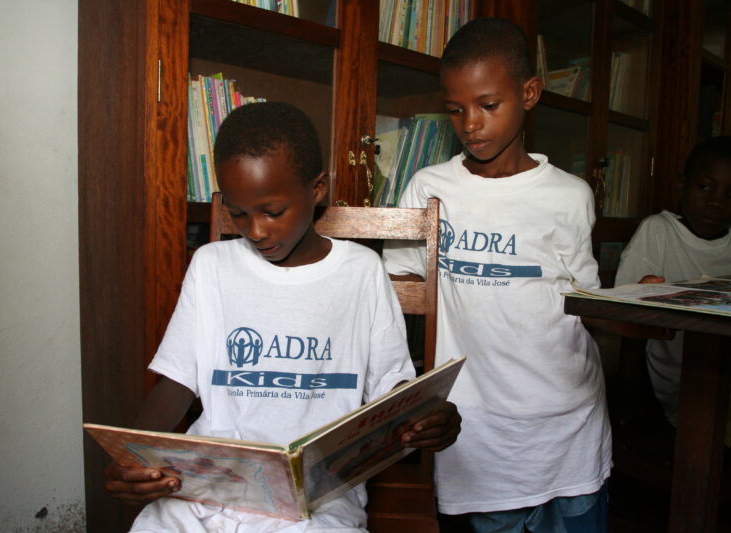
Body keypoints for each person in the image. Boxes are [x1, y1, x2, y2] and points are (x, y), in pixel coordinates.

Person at [104, 101, 461, 533]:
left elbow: (393, 388)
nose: (255, 231)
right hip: (206, 490)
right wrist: (133, 455)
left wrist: (430, 417)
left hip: (316, 501)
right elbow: (178, 380)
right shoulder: (211, 265)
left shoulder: (361, 271)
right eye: (238, 213)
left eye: (272, 212)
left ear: (316, 189)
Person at [383, 17, 611, 533]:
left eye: (488, 105)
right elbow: (394, 295)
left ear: (529, 93)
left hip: (565, 422)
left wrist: (637, 305)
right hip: (470, 429)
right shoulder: (429, 188)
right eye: (456, 109)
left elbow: (584, 302)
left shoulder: (569, 196)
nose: (470, 123)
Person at [615, 135, 731, 530]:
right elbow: (629, 321)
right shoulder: (659, 232)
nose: (715, 202)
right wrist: (627, 402)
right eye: (705, 187)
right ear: (683, 185)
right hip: (699, 391)